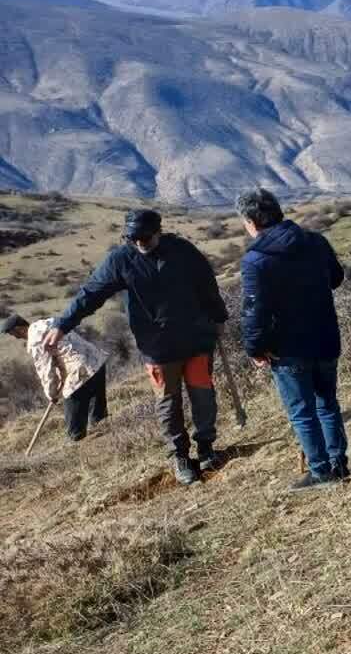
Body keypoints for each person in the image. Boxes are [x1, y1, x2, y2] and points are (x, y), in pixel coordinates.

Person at [46, 208, 226, 485]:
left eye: (145, 237)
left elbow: (206, 284)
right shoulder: (121, 260)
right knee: (168, 403)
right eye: (134, 239)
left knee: (203, 396)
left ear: (159, 231)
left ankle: (206, 448)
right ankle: (179, 456)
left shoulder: (182, 250)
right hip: (156, 346)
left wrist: (219, 317)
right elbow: (91, 293)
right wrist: (62, 324)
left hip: (195, 338)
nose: (140, 243)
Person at [237, 188, 350, 491]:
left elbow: (253, 312)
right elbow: (336, 278)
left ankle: (321, 472)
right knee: (327, 404)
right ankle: (339, 464)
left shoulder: (256, 260)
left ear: (250, 222)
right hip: (326, 335)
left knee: (302, 412)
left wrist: (255, 348)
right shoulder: (315, 241)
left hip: (287, 348)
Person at [4, 311, 108, 441]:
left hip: (80, 371)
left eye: (12, 333)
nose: (14, 337)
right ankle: (106, 438)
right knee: (99, 419)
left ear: (18, 329)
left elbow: (46, 370)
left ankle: (79, 446)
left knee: (75, 433)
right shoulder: (49, 322)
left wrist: (52, 394)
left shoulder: (35, 339)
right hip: (96, 360)